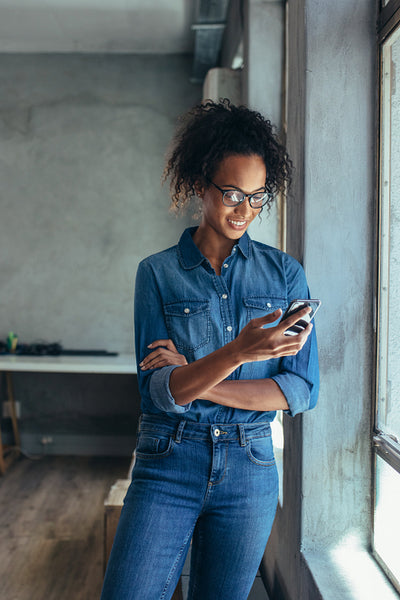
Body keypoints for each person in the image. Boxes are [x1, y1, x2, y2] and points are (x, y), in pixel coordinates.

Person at [100, 99, 319, 600]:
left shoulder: (285, 274)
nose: (245, 210)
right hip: (168, 459)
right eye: (232, 194)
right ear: (201, 185)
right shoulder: (157, 273)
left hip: (250, 466)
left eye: (258, 196)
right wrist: (239, 354)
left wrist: (199, 379)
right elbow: (159, 392)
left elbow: (299, 389)